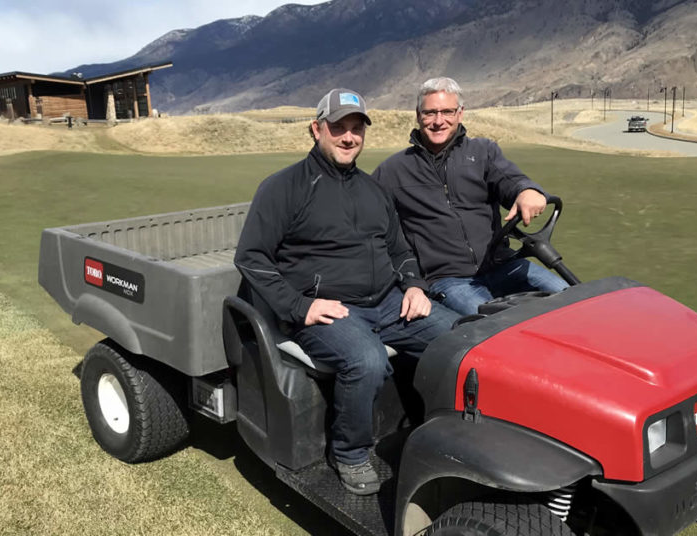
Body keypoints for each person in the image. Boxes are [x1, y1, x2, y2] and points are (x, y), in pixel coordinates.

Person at [234, 88, 459, 495]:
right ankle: (350, 454)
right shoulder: (283, 188)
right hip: (328, 310)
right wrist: (298, 306)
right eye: (338, 127)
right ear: (316, 129)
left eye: (357, 129)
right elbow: (251, 258)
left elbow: (400, 249)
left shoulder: (373, 190)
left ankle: (444, 431)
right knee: (366, 361)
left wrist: (413, 286)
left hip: (389, 302)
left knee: (459, 338)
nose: (348, 137)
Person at [373, 77, 568, 315]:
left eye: (447, 111)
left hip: (503, 264)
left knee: (570, 299)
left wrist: (528, 191)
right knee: (493, 325)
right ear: (417, 115)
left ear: (460, 113)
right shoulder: (392, 171)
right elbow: (374, 228)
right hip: (448, 279)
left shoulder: (483, 152)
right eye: (430, 113)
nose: (438, 121)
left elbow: (511, 181)